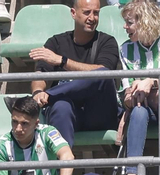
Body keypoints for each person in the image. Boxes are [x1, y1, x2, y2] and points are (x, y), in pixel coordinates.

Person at [28, 0, 120, 156]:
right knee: (61, 106)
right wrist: (37, 92)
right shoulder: (56, 42)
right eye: (86, 12)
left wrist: (62, 61)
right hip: (69, 112)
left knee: (102, 74)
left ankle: (51, 95)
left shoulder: (107, 42)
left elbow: (105, 73)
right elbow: (41, 74)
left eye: (96, 13)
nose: (92, 18)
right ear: (73, 13)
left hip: (99, 113)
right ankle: (62, 174)